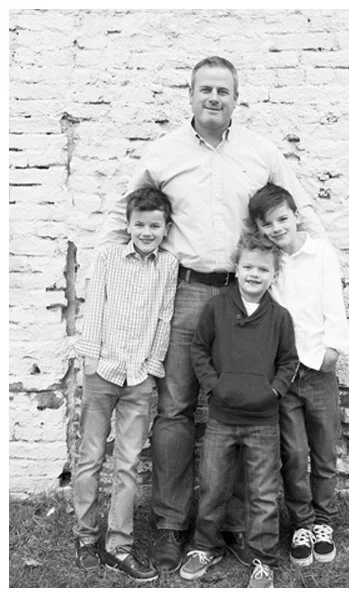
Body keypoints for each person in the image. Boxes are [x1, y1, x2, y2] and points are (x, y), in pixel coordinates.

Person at [96, 55, 325, 572]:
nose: (214, 98)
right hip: (187, 292)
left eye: (223, 90)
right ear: (191, 95)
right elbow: (122, 212)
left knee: (249, 406)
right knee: (176, 409)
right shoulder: (164, 153)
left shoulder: (261, 152)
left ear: (236, 98)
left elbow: (301, 210)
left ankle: (239, 526)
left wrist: (314, 266)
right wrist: (111, 275)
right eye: (205, 90)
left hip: (250, 296)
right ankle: (174, 527)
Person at [179, 232, 298, 588]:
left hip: (263, 420)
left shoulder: (280, 317)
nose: (255, 274)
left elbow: (288, 361)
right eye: (248, 266)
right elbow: (199, 350)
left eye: (263, 269)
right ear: (236, 268)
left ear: (274, 275)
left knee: (263, 492)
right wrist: (214, 386)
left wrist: (274, 391)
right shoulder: (216, 308)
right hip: (221, 418)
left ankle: (262, 557)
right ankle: (205, 546)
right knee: (213, 485)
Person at [73, 187, 178, 582]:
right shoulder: (108, 257)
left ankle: (120, 546)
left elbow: (164, 315)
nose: (147, 232)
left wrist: (153, 366)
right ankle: (85, 537)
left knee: (128, 463)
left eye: (155, 225)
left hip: (139, 375)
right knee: (91, 457)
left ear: (166, 228)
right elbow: (95, 305)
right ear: (128, 225)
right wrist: (91, 358)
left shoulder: (168, 265)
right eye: (140, 224)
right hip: (102, 369)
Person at [249, 182, 349, 566]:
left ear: (294, 215)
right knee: (294, 452)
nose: (276, 228)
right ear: (259, 229)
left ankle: (324, 521)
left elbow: (334, 299)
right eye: (267, 224)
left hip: (319, 368)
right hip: (285, 373)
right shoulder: (269, 261)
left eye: (282, 219)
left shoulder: (319, 253)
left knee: (324, 451)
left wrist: (333, 348)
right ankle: (302, 523)